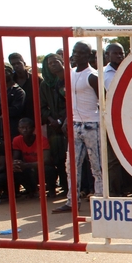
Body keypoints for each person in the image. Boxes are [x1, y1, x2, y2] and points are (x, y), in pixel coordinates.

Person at [53, 41, 103, 213]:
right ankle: (72, 201)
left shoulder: (93, 76)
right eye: (75, 52)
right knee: (71, 165)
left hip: (92, 125)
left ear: (88, 55)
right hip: (75, 124)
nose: (77, 55)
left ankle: (101, 199)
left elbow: (104, 101)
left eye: (81, 53)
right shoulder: (71, 73)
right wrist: (68, 119)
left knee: (96, 165)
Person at [103, 42, 132, 197]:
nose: (119, 56)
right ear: (107, 55)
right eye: (115, 53)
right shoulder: (102, 75)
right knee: (113, 161)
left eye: (121, 53)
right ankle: (115, 193)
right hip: (112, 122)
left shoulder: (129, 70)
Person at [39, 53, 68, 196]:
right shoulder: (44, 85)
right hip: (53, 127)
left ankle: (73, 186)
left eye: (55, 61)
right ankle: (63, 185)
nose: (53, 65)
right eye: (49, 63)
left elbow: (70, 103)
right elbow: (42, 107)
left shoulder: (66, 79)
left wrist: (62, 120)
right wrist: (51, 120)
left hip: (67, 122)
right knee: (57, 157)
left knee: (69, 155)